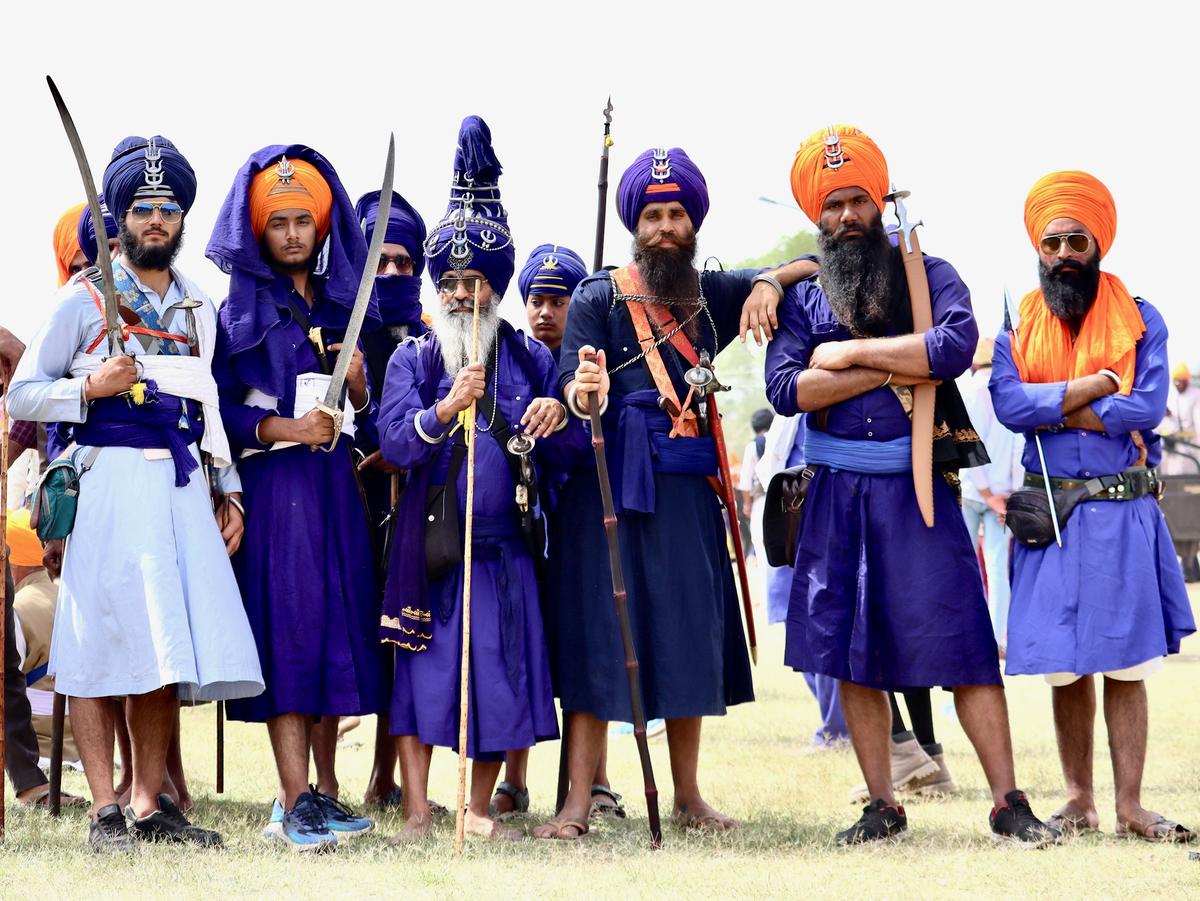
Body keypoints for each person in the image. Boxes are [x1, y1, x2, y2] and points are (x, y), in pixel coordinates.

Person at [766, 125, 1054, 846]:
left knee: (961, 643)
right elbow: (784, 388)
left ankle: (1008, 801)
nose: (845, 216)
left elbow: (953, 346)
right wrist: (898, 364)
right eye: (831, 205)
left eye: (857, 200)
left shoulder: (929, 275)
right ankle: (882, 801)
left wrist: (853, 352)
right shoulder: (800, 299)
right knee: (848, 650)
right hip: (834, 497)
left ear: (880, 201)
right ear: (817, 216)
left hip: (917, 494)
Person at [536, 145, 817, 840]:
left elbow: (811, 262)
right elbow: (572, 383)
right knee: (600, 636)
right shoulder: (597, 297)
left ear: (693, 224)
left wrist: (768, 285)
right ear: (637, 223)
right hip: (609, 493)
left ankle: (688, 794)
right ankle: (577, 802)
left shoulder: (712, 294)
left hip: (688, 490)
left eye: (677, 214)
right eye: (653, 214)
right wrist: (585, 390)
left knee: (690, 633)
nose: (665, 226)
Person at [8, 134, 264, 853]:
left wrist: (230, 491)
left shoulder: (197, 307)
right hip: (107, 484)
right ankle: (103, 812)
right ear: (119, 216)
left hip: (182, 486)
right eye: (144, 207)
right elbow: (23, 392)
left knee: (162, 649)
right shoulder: (81, 299)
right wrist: (91, 384)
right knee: (94, 644)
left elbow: (208, 408)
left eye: (170, 208)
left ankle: (150, 805)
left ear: (184, 218)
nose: (158, 219)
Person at [990, 170, 1197, 842]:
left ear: (1097, 242)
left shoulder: (1142, 317)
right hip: (1050, 516)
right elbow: (1008, 405)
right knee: (1063, 663)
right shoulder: (1017, 320)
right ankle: (1078, 799)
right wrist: (1091, 390)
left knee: (1127, 664)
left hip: (1122, 513)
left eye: (1077, 239)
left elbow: (1145, 407)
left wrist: (1054, 406)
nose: (1064, 253)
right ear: (1037, 247)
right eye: (1052, 242)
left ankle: (1131, 804)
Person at [378, 115, 565, 842]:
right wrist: (444, 407)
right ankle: (420, 810)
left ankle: (476, 807)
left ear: (497, 285)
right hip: (432, 550)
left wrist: (562, 409)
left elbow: (566, 456)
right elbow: (395, 443)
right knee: (422, 680)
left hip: (505, 552)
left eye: (475, 281)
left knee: (496, 678)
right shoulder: (413, 362)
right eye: (450, 282)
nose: (461, 295)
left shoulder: (528, 359)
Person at [208, 144, 385, 851]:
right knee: (289, 634)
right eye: (276, 221)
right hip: (278, 489)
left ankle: (325, 793)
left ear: (319, 227)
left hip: (336, 485)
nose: (289, 233)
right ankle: (290, 797)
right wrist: (286, 426)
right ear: (259, 229)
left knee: (335, 628)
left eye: (301, 221)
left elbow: (362, 407)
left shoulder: (342, 303)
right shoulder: (238, 315)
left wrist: (362, 381)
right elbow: (219, 410)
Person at [352, 188, 429, 810]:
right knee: (344, 631)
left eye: (404, 263)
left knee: (397, 637)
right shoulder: (334, 326)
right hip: (345, 497)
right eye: (380, 261)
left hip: (411, 502)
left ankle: (386, 772)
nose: (392, 274)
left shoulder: (432, 337)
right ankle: (318, 782)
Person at [960, 337, 1023, 653]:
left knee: (965, 566)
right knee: (999, 570)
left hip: (973, 491)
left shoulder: (969, 391)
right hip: (1001, 495)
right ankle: (997, 638)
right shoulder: (1008, 392)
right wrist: (1008, 495)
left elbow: (967, 446)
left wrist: (988, 494)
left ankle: (967, 636)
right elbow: (1017, 446)